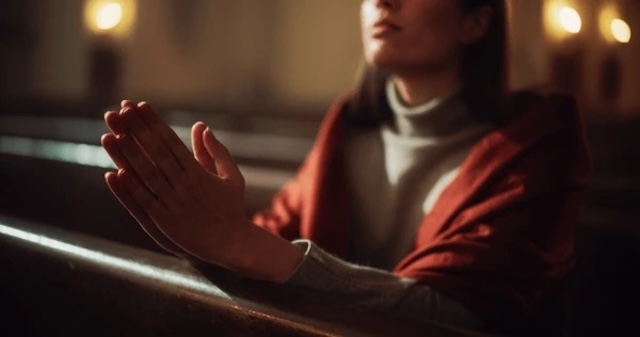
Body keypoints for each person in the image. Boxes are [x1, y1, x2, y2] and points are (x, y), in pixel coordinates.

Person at [100, 0, 590, 334]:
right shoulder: (349, 130)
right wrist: (197, 233)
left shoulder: (540, 141)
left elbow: (464, 313)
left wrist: (242, 245)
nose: (382, 1)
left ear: (476, 23)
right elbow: (263, 241)